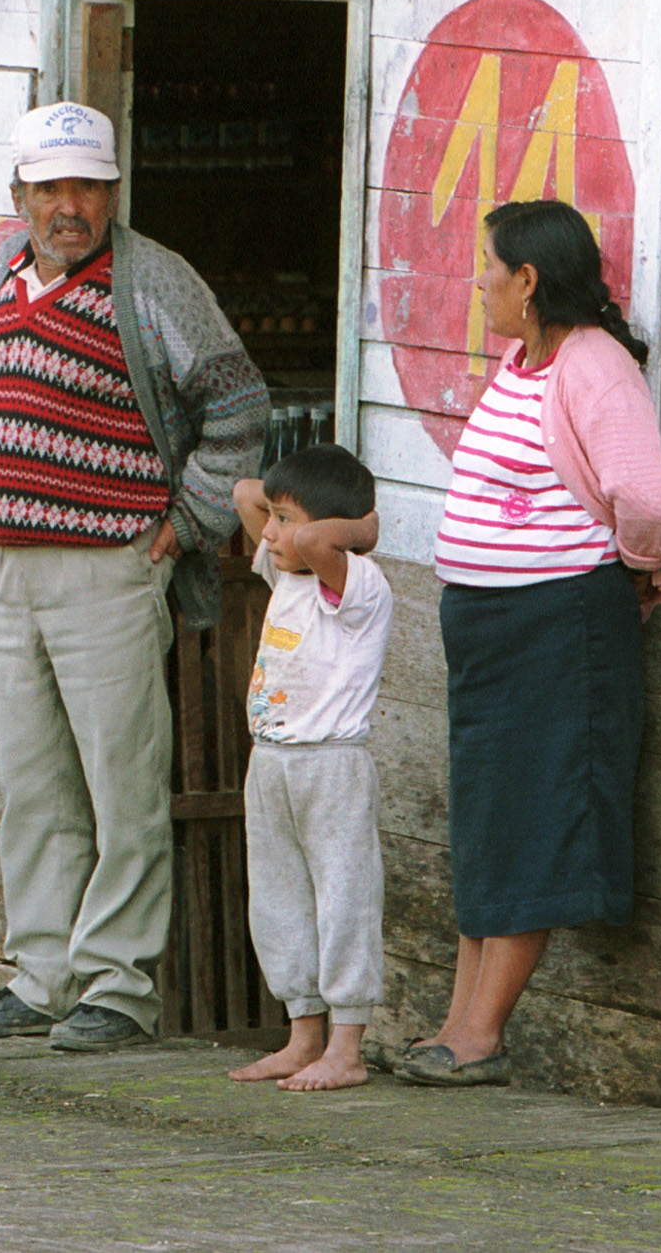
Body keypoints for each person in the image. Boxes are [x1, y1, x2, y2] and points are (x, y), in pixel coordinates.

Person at [0, 102, 268, 1054]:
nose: (69, 207)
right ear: (21, 196)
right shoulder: (5, 267)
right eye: (50, 189)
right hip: (10, 566)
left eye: (87, 187)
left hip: (107, 568)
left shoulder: (153, 279)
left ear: (113, 192)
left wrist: (188, 521)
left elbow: (238, 403)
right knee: (33, 784)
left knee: (123, 785)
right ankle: (41, 974)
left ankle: (118, 987)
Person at [401, 198, 661, 1089]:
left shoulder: (594, 368)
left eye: (490, 266)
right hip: (494, 629)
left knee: (534, 815)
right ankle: (456, 1021)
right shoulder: (527, 359)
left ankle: (482, 1031)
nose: (477, 281)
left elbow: (647, 498)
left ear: (528, 280)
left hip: (559, 625)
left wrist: (633, 568)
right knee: (489, 818)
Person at [224, 445, 391, 1093]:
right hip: (271, 761)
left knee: (344, 896)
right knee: (280, 898)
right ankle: (303, 1037)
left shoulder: (357, 585)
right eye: (274, 518)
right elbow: (244, 492)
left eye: (285, 519)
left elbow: (322, 536)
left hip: (331, 764)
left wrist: (366, 529)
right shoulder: (285, 574)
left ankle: (347, 1047)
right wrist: (278, 509)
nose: (269, 531)